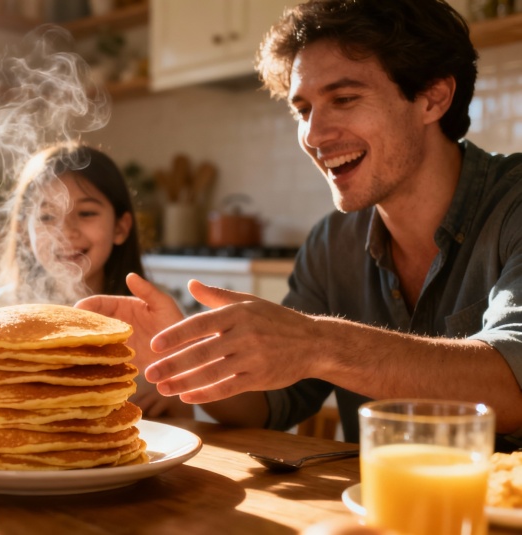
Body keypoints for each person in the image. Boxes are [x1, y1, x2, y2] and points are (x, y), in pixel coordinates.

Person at [77, 0, 522, 449]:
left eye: (344, 99)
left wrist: (317, 342)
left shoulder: (514, 204)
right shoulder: (332, 243)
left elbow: (515, 381)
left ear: (433, 97)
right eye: (304, 109)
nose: (312, 135)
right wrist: (187, 357)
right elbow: (273, 404)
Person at [0, 142, 190, 418]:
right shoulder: (2, 309)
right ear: (25, 232)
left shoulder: (154, 313)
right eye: (47, 216)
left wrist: (177, 403)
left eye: (86, 213)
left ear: (120, 227)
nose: (65, 232)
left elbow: (236, 416)